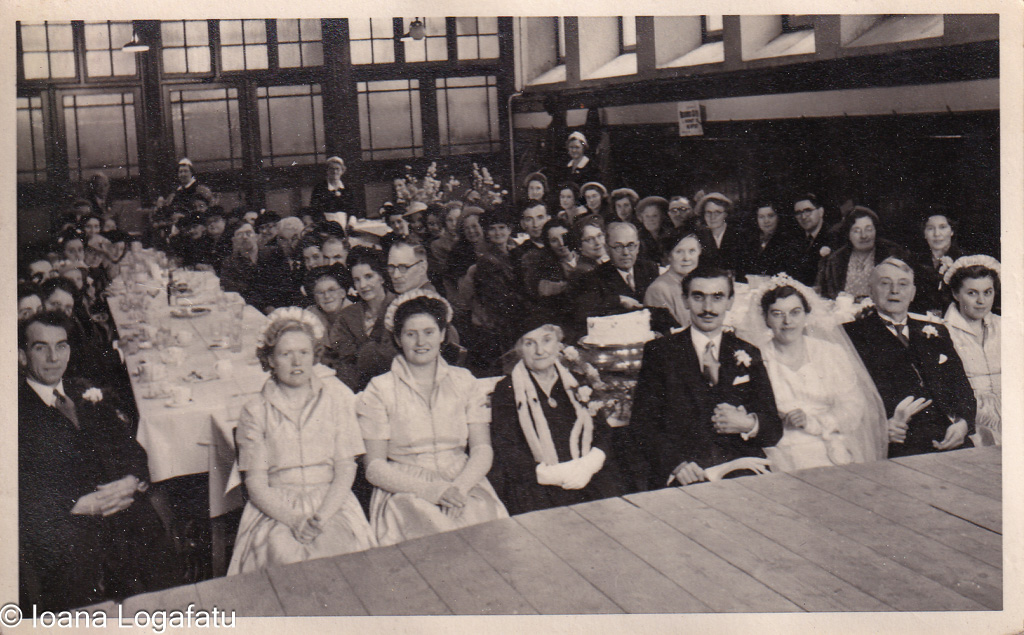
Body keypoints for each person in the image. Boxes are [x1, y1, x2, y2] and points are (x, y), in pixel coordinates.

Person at [19, 311, 180, 610]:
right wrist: (76, 505)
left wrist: (131, 481)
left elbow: (133, 451)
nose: (54, 357)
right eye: (41, 347)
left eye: (61, 346)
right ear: (22, 355)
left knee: (161, 573)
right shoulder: (15, 411)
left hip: (121, 508)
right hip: (65, 525)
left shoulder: (83, 391)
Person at [229, 308, 375, 574]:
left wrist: (321, 517)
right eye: (286, 354)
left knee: (339, 552)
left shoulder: (335, 401)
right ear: (270, 360)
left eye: (304, 353)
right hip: (277, 507)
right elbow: (256, 484)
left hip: (330, 501)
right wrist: (295, 520)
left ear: (315, 356)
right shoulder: (255, 410)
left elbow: (345, 470)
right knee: (282, 555)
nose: (296, 362)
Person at [356, 292, 508, 546]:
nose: (420, 342)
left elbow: (482, 449)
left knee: (484, 535)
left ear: (442, 335)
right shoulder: (379, 389)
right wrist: (433, 492)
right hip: (406, 490)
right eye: (410, 334)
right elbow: (374, 467)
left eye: (428, 332)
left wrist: (458, 489)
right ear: (398, 338)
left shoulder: (464, 381)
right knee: (434, 535)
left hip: (463, 481)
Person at [629, 266, 783, 490]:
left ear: (730, 302)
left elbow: (773, 429)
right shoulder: (661, 352)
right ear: (685, 300)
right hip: (685, 469)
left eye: (718, 297)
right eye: (698, 297)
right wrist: (677, 465)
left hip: (740, 463)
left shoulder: (747, 352)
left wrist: (748, 423)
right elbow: (642, 425)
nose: (708, 308)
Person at [737, 277, 888, 472]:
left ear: (807, 314)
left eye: (795, 312)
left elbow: (853, 407)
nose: (787, 321)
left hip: (830, 440)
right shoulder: (756, 358)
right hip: (780, 447)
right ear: (765, 318)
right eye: (777, 314)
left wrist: (814, 423)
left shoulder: (830, 352)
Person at [488, 320, 624, 515]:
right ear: (519, 350)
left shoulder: (579, 378)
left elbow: (602, 430)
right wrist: (554, 474)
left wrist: (589, 465)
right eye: (529, 343)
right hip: (539, 485)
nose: (540, 350)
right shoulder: (507, 389)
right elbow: (507, 447)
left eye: (546, 340)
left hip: (588, 475)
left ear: (559, 344)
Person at [844, 258, 976, 458]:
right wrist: (879, 428)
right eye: (885, 283)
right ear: (871, 290)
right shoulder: (851, 335)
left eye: (903, 284)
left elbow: (960, 385)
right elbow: (843, 399)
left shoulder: (935, 331)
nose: (894, 291)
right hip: (897, 442)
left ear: (913, 293)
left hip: (951, 437)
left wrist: (963, 424)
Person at [942, 256, 1001, 446]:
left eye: (988, 292)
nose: (981, 301)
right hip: (971, 414)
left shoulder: (1005, 326)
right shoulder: (943, 331)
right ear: (956, 294)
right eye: (972, 293)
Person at [572, 222, 661, 330]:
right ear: (607, 248)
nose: (626, 252)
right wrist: (618, 300)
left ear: (638, 247)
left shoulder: (650, 268)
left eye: (631, 245)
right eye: (618, 247)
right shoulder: (594, 277)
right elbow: (582, 312)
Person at [330, 247, 396, 392]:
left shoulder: (400, 308)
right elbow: (344, 362)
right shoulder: (346, 316)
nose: (363, 285)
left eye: (368, 276)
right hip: (358, 390)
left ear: (382, 277)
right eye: (357, 280)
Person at [817, 205, 908, 300]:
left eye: (868, 229)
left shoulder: (892, 254)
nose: (864, 235)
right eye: (856, 231)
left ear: (876, 230)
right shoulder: (835, 260)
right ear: (848, 234)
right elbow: (826, 297)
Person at [644, 228, 702, 329]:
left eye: (692, 251)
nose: (686, 258)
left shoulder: (698, 283)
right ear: (669, 256)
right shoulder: (658, 290)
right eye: (679, 252)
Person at [910, 212, 962, 316]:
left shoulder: (964, 260)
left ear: (951, 231)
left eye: (942, 227)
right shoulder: (915, 261)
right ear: (924, 234)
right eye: (930, 228)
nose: (936, 234)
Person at [306, 265, 354, 373]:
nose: (327, 296)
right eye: (320, 292)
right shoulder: (309, 316)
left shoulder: (355, 314)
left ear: (342, 293)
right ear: (315, 297)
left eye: (331, 290)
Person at [694, 192, 747, 279]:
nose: (712, 217)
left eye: (717, 212)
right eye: (708, 212)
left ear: (725, 214)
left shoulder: (740, 235)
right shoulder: (699, 237)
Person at [790, 193, 835, 287]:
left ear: (821, 212)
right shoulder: (796, 239)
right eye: (798, 213)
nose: (803, 217)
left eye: (808, 211)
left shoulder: (833, 237)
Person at [746, 201, 796, 278]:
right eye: (761, 217)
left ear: (778, 217)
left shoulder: (787, 242)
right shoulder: (750, 241)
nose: (766, 221)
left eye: (771, 216)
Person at [636, 196, 669, 264]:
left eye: (655, 216)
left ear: (662, 217)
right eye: (647, 216)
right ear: (642, 218)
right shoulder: (637, 238)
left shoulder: (670, 235)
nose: (650, 220)